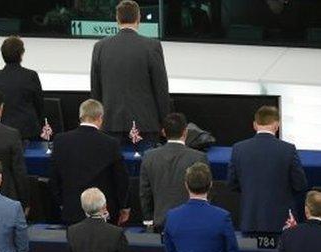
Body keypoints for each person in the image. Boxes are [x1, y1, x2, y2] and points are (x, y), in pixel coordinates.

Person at [90, 0, 170, 144]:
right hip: (145, 125)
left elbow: (96, 89)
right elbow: (161, 89)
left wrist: (96, 120)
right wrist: (165, 122)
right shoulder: (152, 46)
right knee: (145, 166)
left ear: (117, 19)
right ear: (139, 18)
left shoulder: (100, 47)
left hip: (110, 124)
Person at [48, 99, 130, 225]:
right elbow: (121, 179)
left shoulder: (61, 141)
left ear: (80, 117)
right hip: (103, 213)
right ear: (100, 117)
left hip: (72, 211)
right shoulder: (110, 143)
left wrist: (62, 203)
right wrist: (124, 206)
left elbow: (54, 178)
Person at [228, 106, 307, 234]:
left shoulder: (239, 149)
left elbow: (232, 184)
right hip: (282, 222)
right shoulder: (288, 150)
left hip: (250, 220)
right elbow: (300, 185)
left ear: (255, 125)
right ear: (277, 125)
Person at [139, 113, 209, 231]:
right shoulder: (199, 157)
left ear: (164, 132)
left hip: (160, 223)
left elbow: (145, 192)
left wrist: (149, 221)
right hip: (191, 223)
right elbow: (206, 192)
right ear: (185, 132)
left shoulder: (149, 156)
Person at [0, 36, 44, 142]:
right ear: (21, 54)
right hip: (28, 130)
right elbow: (39, 104)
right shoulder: (30, 76)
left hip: (4, 130)